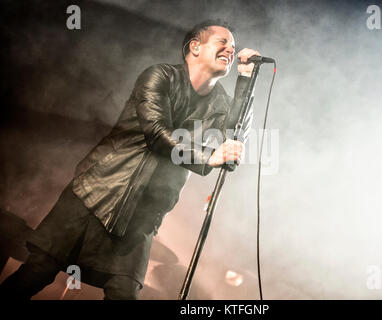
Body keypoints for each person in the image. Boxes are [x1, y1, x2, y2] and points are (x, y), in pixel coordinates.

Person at [0, 19, 259, 300]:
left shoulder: (220, 102)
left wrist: (245, 80)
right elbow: (157, 135)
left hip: (141, 217)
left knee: (124, 292)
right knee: (38, 272)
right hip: (96, 195)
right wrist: (208, 157)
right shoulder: (159, 76)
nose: (231, 50)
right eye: (223, 42)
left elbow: (234, 136)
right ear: (195, 47)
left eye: (233, 48)